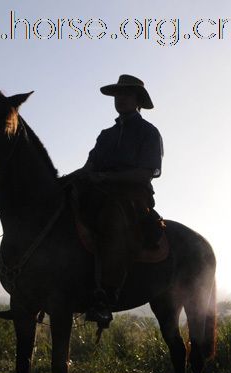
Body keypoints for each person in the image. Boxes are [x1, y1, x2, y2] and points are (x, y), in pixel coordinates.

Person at [72, 74, 164, 328]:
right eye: (118, 95)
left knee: (113, 219)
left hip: (133, 196)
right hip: (98, 191)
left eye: (127, 95)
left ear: (138, 101)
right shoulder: (106, 135)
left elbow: (147, 172)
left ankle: (105, 296)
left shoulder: (148, 133)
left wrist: (106, 177)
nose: (121, 99)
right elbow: (88, 166)